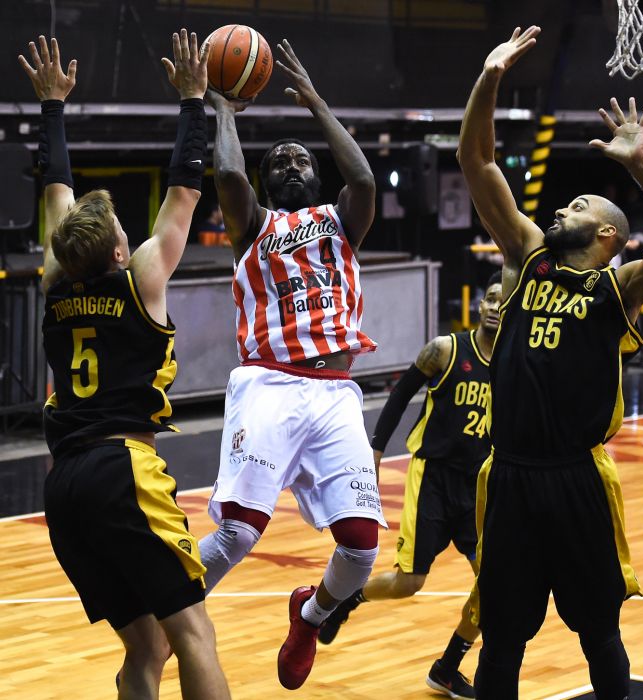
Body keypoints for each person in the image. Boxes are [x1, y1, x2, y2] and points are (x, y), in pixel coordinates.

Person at [456, 26, 643, 700]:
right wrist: (489, 78)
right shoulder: (527, 256)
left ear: (608, 235)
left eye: (579, 206)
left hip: (576, 479)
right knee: (503, 635)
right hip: (511, 473)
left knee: (598, 630)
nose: (563, 208)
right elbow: (476, 162)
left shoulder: (619, 288)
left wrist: (640, 166)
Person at [21, 32, 231, 699]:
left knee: (146, 646)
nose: (128, 235)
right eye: (121, 232)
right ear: (118, 253)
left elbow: (56, 193)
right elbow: (185, 192)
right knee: (194, 634)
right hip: (122, 468)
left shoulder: (56, 280)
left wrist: (52, 109)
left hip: (64, 485)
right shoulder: (140, 279)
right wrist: (194, 101)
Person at [199, 38, 386, 691]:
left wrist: (316, 105)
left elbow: (363, 180)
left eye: (300, 157)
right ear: (264, 181)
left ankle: (310, 616)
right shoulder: (254, 226)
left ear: (316, 173)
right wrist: (224, 110)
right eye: (277, 161)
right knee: (237, 534)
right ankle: (166, 608)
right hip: (271, 383)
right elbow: (228, 178)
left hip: (335, 391)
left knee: (362, 546)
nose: (290, 163)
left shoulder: (343, 220)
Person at [319, 272, 503, 699]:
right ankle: (348, 599)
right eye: (490, 298)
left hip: (478, 486)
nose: (496, 307)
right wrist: (376, 451)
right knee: (409, 582)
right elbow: (399, 397)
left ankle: (447, 668)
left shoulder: (513, 363)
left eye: (503, 301)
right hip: (433, 477)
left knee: (494, 584)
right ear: (479, 305)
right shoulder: (446, 349)